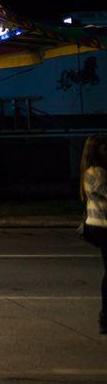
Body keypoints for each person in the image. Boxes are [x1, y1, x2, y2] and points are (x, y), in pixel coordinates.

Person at [80, 134, 107, 335]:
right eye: (105, 148)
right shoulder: (96, 172)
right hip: (103, 226)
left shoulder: (93, 171)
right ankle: (105, 318)